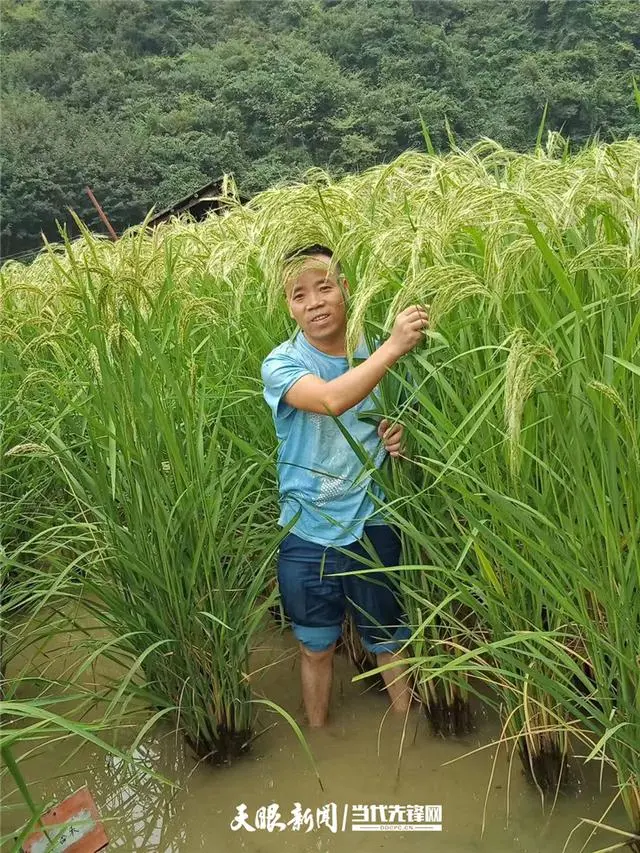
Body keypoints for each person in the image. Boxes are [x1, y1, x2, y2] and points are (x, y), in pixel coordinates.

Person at [261, 245, 429, 727]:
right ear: (289, 306)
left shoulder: (376, 346)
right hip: (307, 528)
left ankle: (408, 741)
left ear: (346, 289)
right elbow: (332, 400)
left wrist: (402, 438)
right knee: (316, 648)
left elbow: (408, 427)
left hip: (371, 520)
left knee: (390, 642)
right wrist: (394, 347)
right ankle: (319, 740)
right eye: (299, 295)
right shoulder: (282, 363)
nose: (314, 302)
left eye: (324, 287)